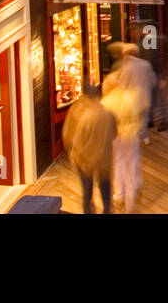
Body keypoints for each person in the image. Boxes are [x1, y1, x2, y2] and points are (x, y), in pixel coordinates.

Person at [102, 43, 154, 212]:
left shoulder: (109, 101)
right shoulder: (132, 96)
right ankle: (134, 189)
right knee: (133, 161)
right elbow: (151, 82)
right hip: (132, 128)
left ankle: (120, 194)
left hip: (117, 134)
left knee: (119, 162)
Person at [63, 85, 117, 214]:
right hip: (104, 156)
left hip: (85, 158)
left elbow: (69, 135)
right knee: (105, 186)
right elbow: (115, 133)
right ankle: (107, 210)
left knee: (87, 189)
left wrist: (72, 153)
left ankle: (88, 211)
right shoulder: (108, 113)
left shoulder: (76, 110)